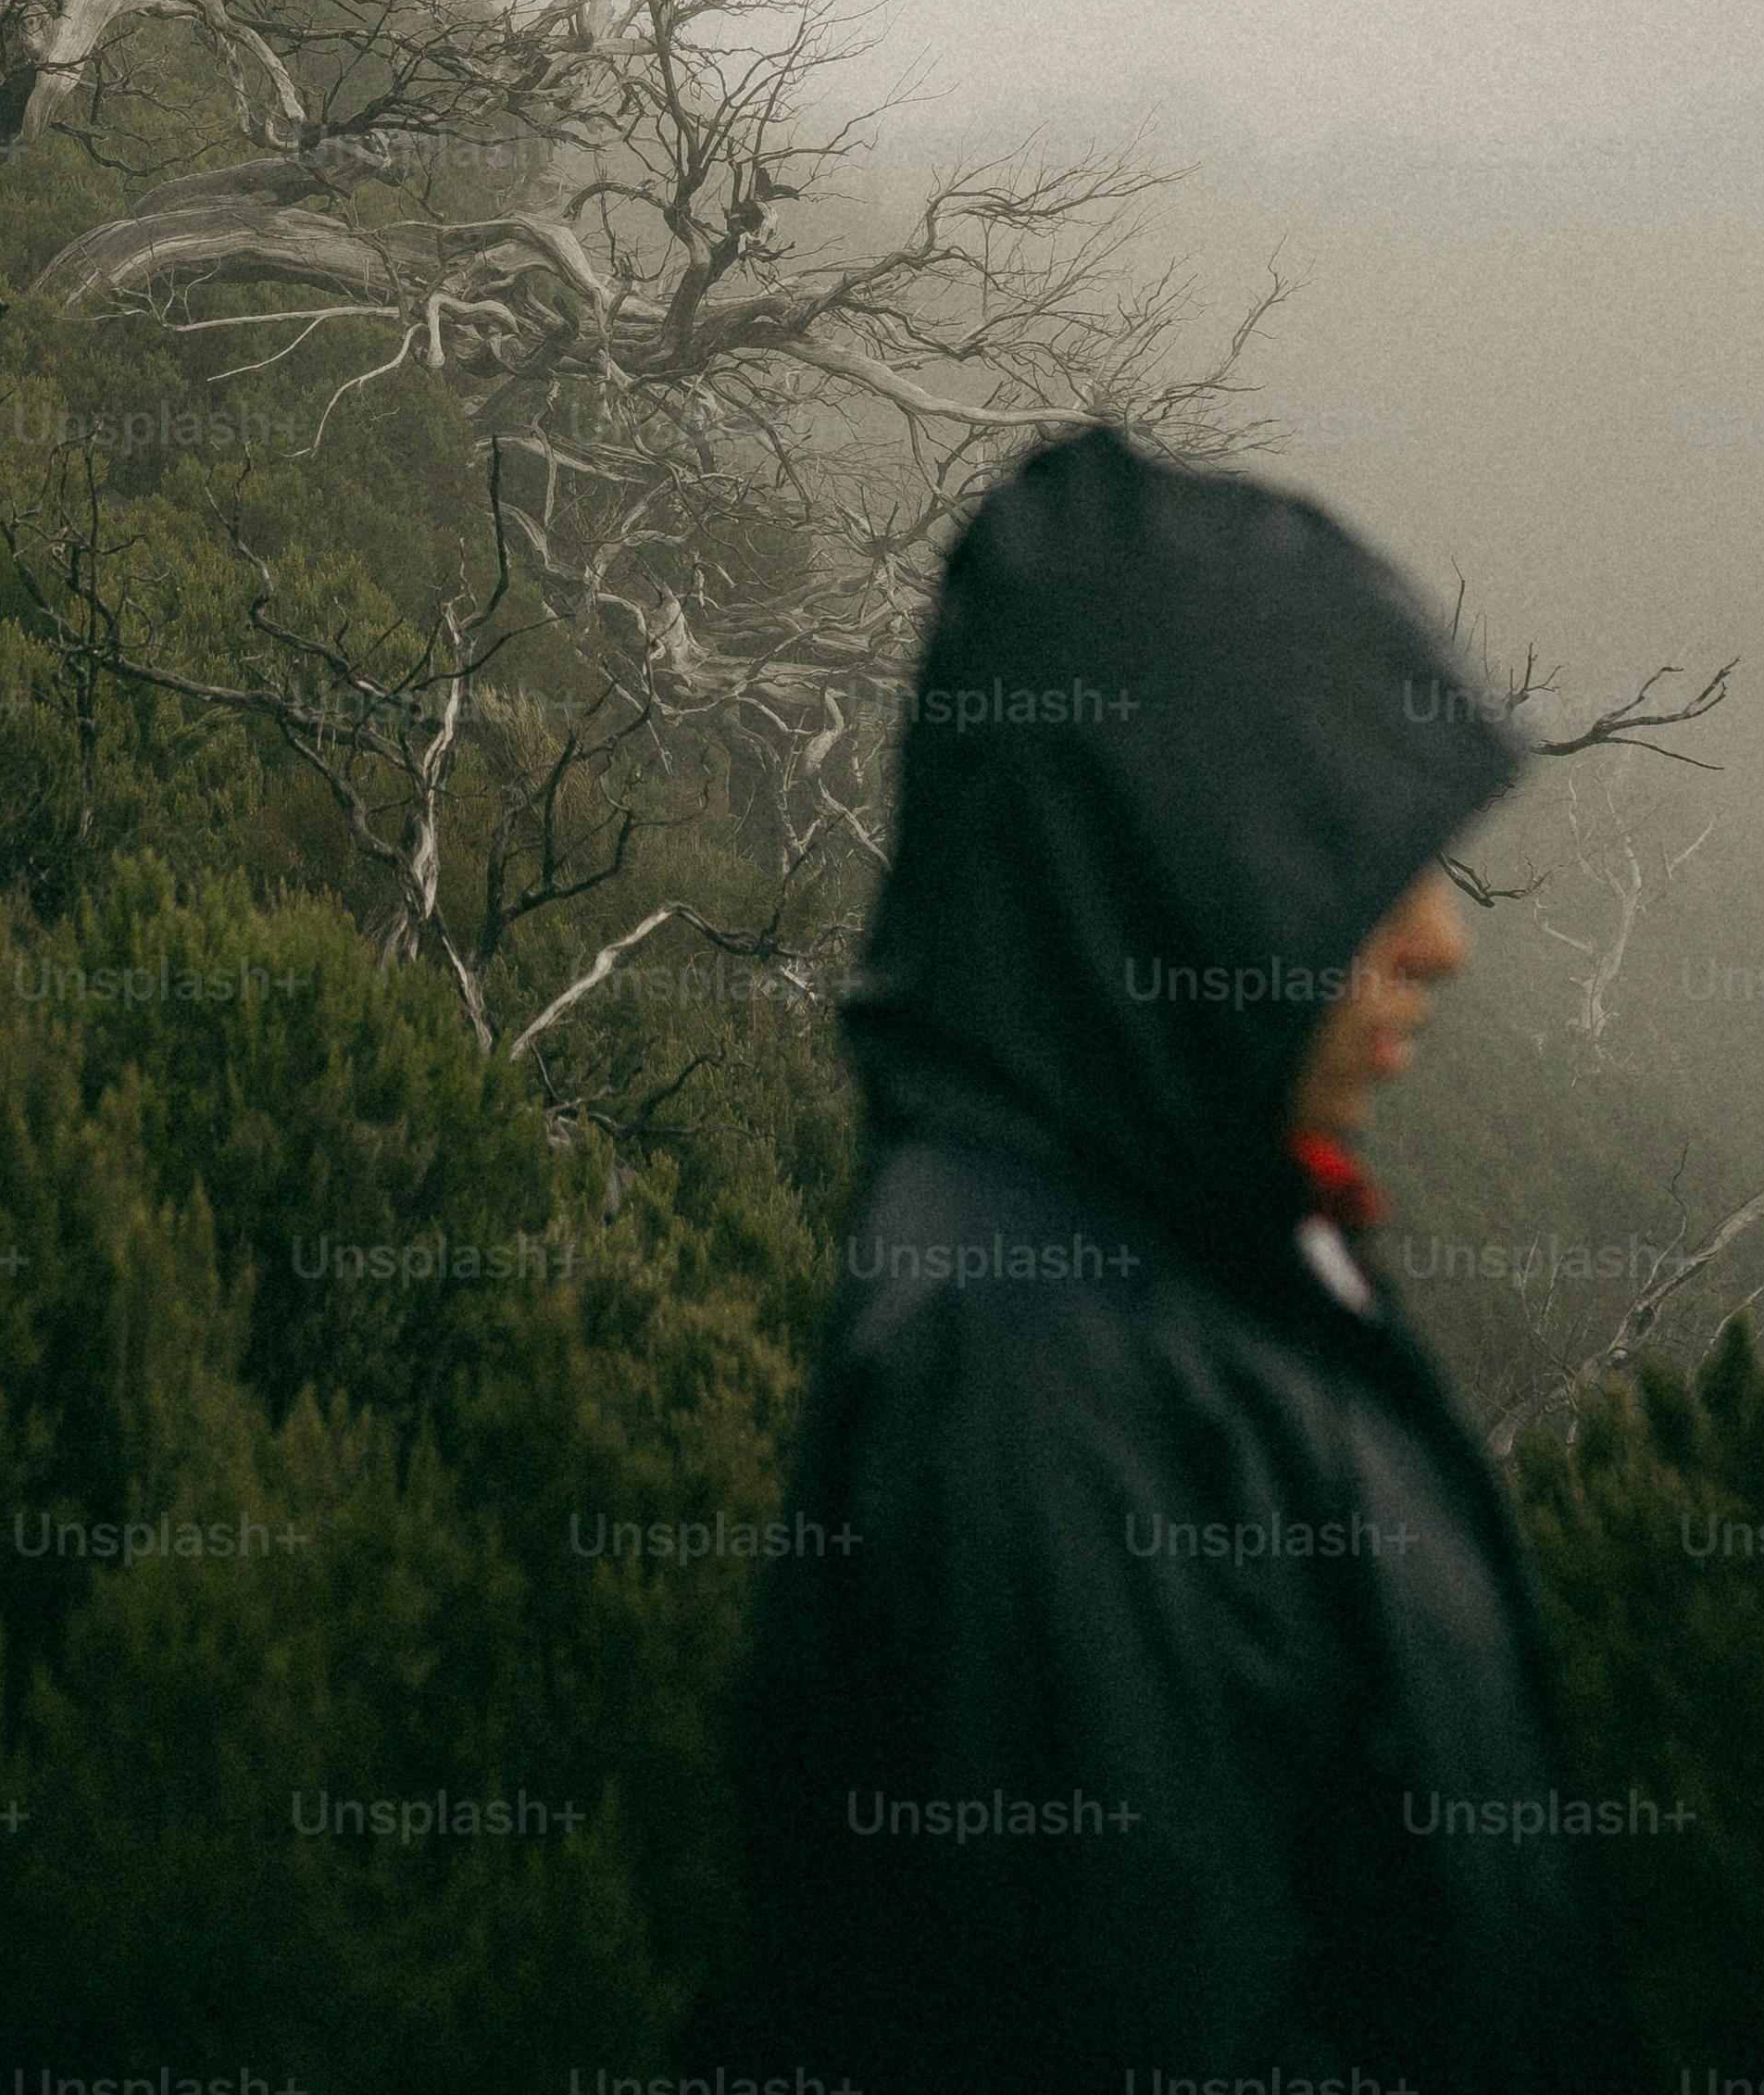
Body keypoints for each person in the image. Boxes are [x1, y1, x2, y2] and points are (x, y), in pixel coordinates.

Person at [699, 424, 1644, 2093]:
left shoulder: (1198, 1257)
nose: (1441, 941)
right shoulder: (1027, 1384)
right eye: (1357, 871)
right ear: (1177, 884)